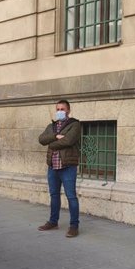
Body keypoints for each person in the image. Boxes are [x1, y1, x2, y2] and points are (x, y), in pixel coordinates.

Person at [37, 100, 81, 237]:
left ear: (68, 110)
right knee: (54, 195)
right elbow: (41, 139)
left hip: (67, 166)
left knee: (71, 196)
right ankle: (53, 221)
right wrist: (55, 136)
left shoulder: (75, 124)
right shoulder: (52, 126)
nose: (60, 111)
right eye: (58, 109)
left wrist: (52, 144)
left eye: (62, 109)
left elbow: (69, 141)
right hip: (52, 166)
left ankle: (74, 226)